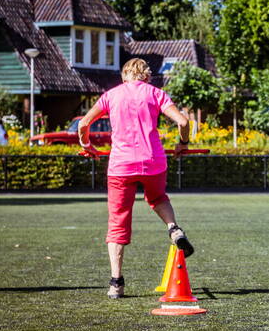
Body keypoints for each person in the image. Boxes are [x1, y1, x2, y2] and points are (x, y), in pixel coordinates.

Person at [77, 58, 194, 299]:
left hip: (121, 166)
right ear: (147, 77)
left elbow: (84, 124)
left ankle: (116, 283)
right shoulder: (156, 93)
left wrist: (87, 145)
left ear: (124, 76)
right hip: (153, 161)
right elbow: (183, 122)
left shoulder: (111, 96)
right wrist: (183, 143)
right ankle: (173, 228)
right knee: (158, 198)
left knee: (118, 220)